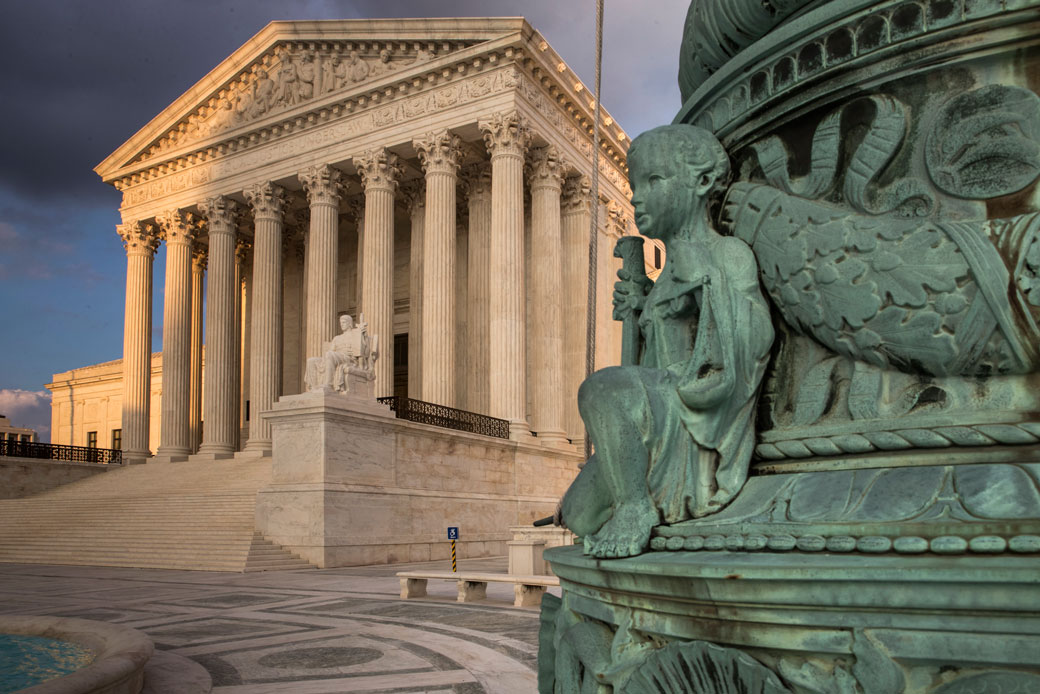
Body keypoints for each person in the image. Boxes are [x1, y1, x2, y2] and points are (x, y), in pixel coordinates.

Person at [559, 124, 774, 559]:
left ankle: (637, 507)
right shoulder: (663, 279)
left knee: (598, 388)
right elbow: (646, 363)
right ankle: (631, 491)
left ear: (699, 183)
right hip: (657, 408)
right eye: (636, 185)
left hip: (690, 408)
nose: (638, 196)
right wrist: (640, 315)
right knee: (578, 515)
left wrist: (706, 287)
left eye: (654, 181)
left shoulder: (726, 255)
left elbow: (754, 341)